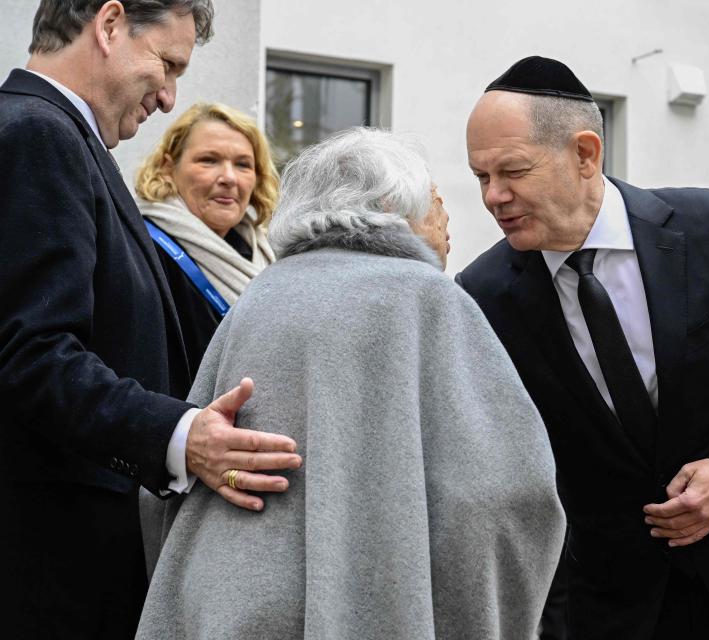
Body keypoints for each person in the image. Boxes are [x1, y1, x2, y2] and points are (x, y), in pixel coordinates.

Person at [456, 56, 709, 639]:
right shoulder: (483, 293)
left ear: (585, 154)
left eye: (512, 171)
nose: (494, 196)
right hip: (619, 606)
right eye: (480, 177)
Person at [135, 127, 565, 640]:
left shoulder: (260, 295)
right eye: (434, 200)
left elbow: (179, 478)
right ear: (390, 205)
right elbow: (504, 493)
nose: (447, 217)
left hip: (226, 606)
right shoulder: (426, 298)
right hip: (382, 610)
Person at [0, 3, 300, 638]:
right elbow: (31, 353)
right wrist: (182, 436)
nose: (168, 98)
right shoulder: (37, 133)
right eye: (167, 66)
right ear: (109, 25)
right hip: (49, 579)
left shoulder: (62, 137)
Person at [135, 102, 278, 377]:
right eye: (209, 160)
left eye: (243, 164)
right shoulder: (143, 249)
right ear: (168, 168)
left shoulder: (270, 253)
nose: (228, 177)